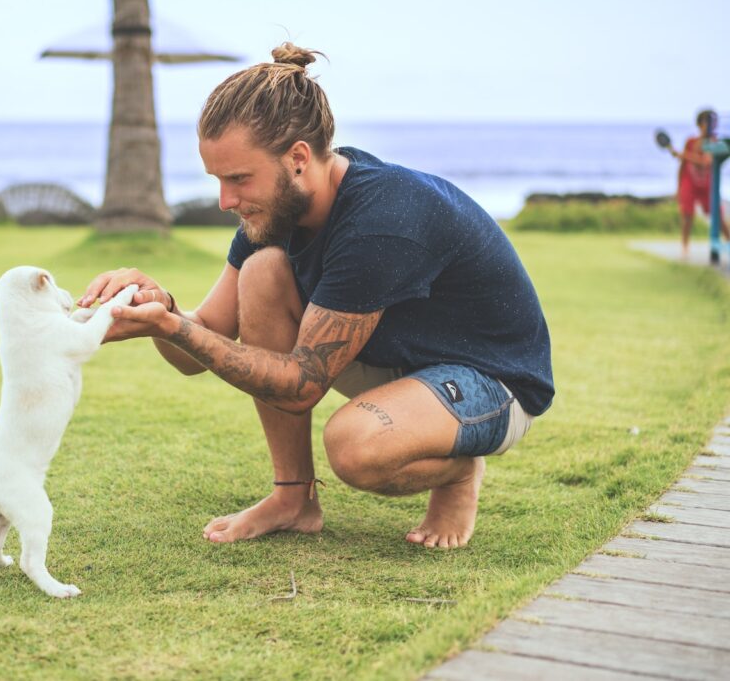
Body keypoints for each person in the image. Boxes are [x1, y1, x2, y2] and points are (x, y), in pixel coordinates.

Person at [77, 43, 554, 549]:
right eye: (218, 180)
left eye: (238, 178)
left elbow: (303, 383)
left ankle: (457, 475)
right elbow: (203, 341)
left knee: (354, 448)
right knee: (261, 272)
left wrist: (172, 327)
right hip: (396, 362)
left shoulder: (381, 219)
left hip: (491, 382)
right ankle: (293, 499)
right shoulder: (275, 212)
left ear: (298, 158)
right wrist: (160, 306)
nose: (225, 201)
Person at [669, 109, 728, 259]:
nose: (710, 126)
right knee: (687, 216)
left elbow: (705, 162)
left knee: (718, 217)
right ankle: (684, 248)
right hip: (690, 182)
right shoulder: (691, 142)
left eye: (713, 122)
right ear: (700, 124)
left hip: (708, 184)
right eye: (707, 122)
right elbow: (682, 166)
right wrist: (678, 187)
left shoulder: (715, 142)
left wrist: (683, 155)